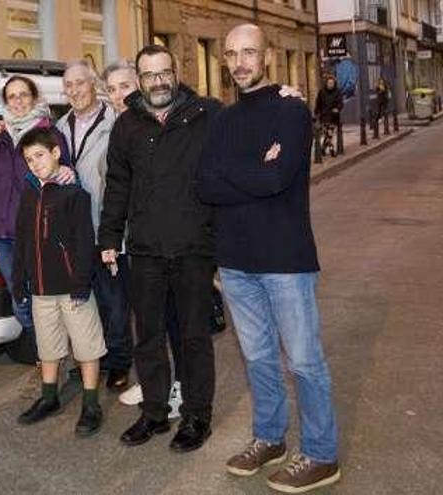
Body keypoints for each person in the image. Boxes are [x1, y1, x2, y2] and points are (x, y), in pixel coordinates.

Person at [199, 24, 340, 493]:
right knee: (258, 358)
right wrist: (253, 170)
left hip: (285, 261)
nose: (240, 62)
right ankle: (270, 439)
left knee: (303, 360)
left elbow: (276, 178)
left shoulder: (292, 110)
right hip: (235, 262)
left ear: (267, 57)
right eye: (233, 53)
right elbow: (205, 185)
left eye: (250, 53)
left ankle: (321, 454)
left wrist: (236, 173)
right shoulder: (220, 120)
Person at [99, 44, 220, 453]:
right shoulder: (127, 125)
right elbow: (117, 185)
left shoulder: (206, 115)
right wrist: (109, 238)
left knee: (193, 338)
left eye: (164, 73)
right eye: (149, 75)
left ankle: (196, 415)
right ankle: (154, 413)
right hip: (146, 250)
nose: (158, 82)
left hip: (193, 249)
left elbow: (247, 136)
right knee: (147, 337)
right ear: (139, 79)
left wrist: (280, 97)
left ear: (176, 72)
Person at [11, 126, 106, 436]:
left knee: (86, 346)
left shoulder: (74, 194)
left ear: (55, 153)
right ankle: (49, 396)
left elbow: (83, 241)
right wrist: (19, 277)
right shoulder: (28, 194)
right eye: (28, 159)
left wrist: (82, 282)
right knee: (48, 348)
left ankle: (91, 404)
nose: (35, 163)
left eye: (39, 155)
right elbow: (23, 238)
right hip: (40, 288)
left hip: (71, 289)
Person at [102, 60, 184, 416]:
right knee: (144, 320)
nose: (120, 94)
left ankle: (178, 385)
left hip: (166, 240)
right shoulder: (114, 125)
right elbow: (115, 187)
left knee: (174, 318)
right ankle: (153, 382)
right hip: (128, 239)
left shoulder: (159, 119)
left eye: (125, 86)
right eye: (113, 89)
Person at [0, 75, 72, 364]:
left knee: (43, 296)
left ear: (34, 97)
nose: (18, 101)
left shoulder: (49, 134)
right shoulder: (1, 139)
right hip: (2, 235)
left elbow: (64, 176)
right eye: (12, 96)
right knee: (21, 302)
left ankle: (51, 355)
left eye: (23, 95)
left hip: (36, 232)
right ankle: (48, 350)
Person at [55, 60, 131, 390]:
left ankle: (118, 362)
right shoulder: (60, 125)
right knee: (85, 302)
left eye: (79, 83)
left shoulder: (116, 120)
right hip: (75, 230)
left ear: (93, 85)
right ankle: (92, 359)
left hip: (108, 226)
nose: (74, 90)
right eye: (68, 86)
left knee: (114, 301)